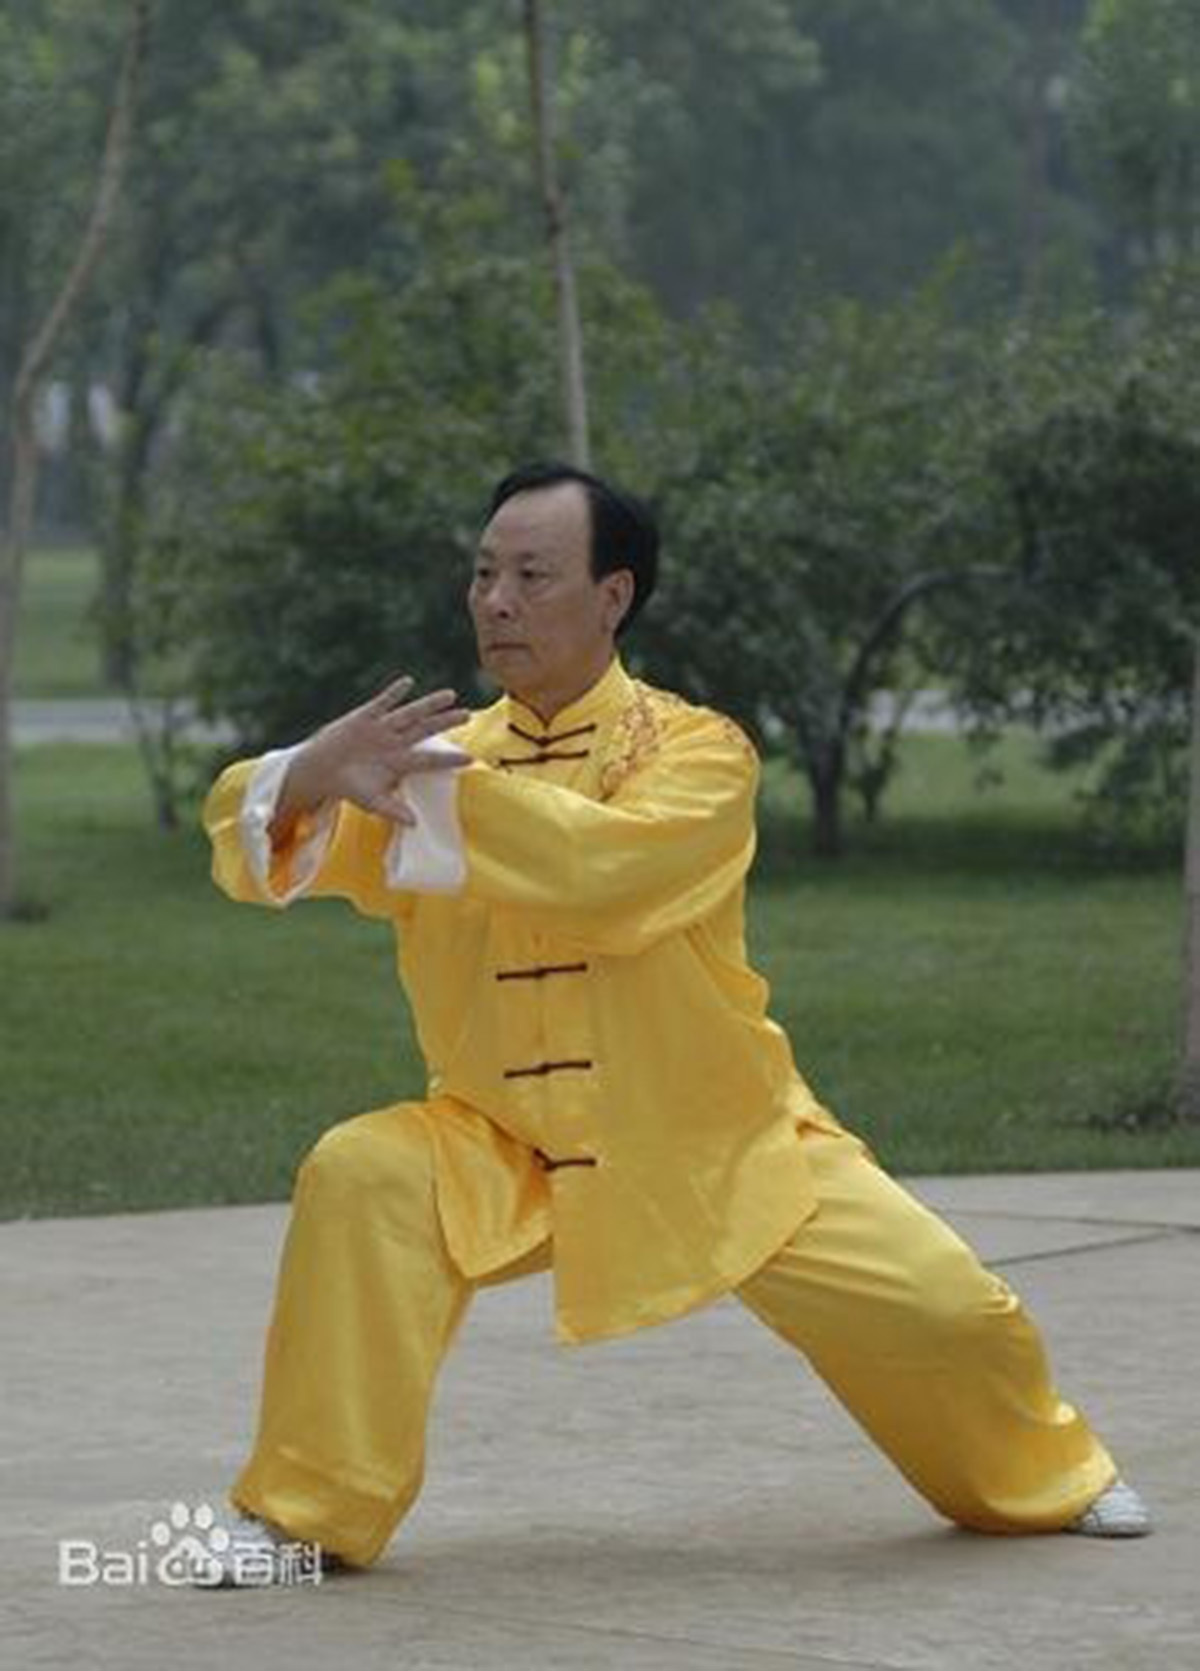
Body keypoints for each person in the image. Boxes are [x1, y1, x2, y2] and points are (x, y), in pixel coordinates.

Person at [198, 461, 1150, 1587]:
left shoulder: (697, 753)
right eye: (485, 573)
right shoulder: (423, 767)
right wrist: (307, 772)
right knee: (362, 1174)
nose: (496, 600)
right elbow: (261, 860)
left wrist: (431, 787)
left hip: (714, 1135)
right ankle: (305, 1514)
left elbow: (608, 874)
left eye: (533, 576)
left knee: (942, 1310)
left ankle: (1046, 1474)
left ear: (614, 596)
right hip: (498, 1140)